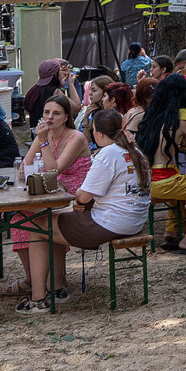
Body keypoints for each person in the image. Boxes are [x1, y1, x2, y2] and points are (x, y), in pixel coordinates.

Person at [21, 108, 151, 314]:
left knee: (38, 227)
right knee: (54, 222)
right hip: (133, 221)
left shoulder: (108, 153)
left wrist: (80, 201)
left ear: (98, 133)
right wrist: (82, 202)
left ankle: (37, 299)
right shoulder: (135, 151)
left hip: (110, 222)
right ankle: (56, 288)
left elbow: (83, 195)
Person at [11, 94, 92, 311]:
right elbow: (24, 167)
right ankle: (36, 279)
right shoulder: (43, 135)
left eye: (56, 113)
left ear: (66, 117)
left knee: (40, 222)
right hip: (52, 194)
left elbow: (54, 170)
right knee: (19, 220)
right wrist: (39, 142)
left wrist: (43, 142)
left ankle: (54, 283)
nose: (49, 117)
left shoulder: (76, 138)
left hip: (75, 198)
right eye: (46, 112)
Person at [134, 73, 186, 253]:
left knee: (183, 188)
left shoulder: (152, 117)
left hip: (149, 180)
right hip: (165, 181)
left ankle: (172, 231)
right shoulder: (181, 121)